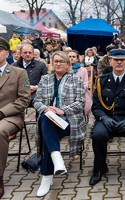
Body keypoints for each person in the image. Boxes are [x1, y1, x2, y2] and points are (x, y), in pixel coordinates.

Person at [33, 51, 86, 197]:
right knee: (45, 119)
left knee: (46, 130)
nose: (58, 64)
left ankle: (47, 175)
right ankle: (56, 162)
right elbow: (36, 101)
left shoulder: (76, 80)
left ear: (68, 64)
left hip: (69, 121)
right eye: (55, 61)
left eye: (61, 61)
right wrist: (46, 108)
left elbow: (81, 103)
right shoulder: (45, 79)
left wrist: (62, 110)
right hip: (49, 120)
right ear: (51, 63)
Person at [90, 48, 125, 187]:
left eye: (122, 59)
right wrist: (103, 118)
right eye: (116, 60)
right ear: (110, 61)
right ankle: (99, 168)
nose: (119, 62)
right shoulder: (101, 81)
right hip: (107, 118)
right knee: (97, 135)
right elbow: (95, 106)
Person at [0, 37, 31, 199]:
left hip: (10, 117)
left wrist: (2, 112)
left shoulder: (19, 73)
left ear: (7, 53)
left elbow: (24, 100)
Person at [68, 50, 92, 116]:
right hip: (67, 93)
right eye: (69, 56)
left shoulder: (83, 70)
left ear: (77, 59)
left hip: (81, 93)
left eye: (73, 56)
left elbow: (86, 83)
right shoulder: (65, 69)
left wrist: (77, 92)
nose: (71, 58)